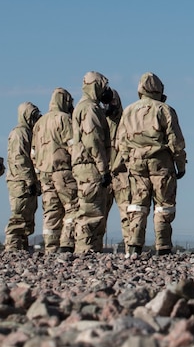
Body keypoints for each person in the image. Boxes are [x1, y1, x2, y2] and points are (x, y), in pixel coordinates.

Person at [114, 72, 187, 255]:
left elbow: (120, 141)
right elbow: (176, 141)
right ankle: (163, 247)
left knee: (137, 204)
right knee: (163, 205)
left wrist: (128, 159)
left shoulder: (129, 111)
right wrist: (181, 165)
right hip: (161, 163)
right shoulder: (164, 109)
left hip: (136, 163)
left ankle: (134, 246)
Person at [70, 72, 119, 254]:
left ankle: (89, 250)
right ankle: (86, 251)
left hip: (84, 165)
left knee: (90, 209)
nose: (107, 91)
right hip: (91, 166)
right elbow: (93, 141)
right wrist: (103, 168)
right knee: (92, 212)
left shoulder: (85, 107)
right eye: (103, 87)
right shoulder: (90, 108)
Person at [32, 89, 77, 251]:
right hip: (63, 171)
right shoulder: (64, 119)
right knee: (72, 207)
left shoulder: (39, 123)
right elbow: (73, 146)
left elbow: (33, 152)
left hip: (44, 173)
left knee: (51, 211)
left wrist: (38, 173)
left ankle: (50, 247)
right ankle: (67, 244)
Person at [4, 102, 41, 251]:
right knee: (19, 214)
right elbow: (20, 158)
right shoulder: (20, 133)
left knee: (28, 216)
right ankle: (12, 247)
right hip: (20, 181)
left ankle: (21, 245)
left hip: (26, 180)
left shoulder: (29, 132)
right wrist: (29, 180)